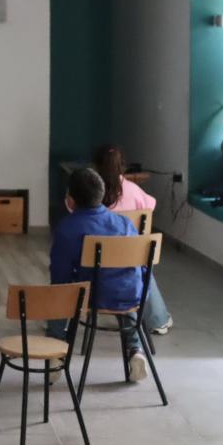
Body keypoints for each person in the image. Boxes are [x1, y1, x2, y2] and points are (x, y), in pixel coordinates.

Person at [47, 168, 150, 383]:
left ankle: (56, 352)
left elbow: (60, 276)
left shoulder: (68, 228)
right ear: (102, 195)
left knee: (59, 294)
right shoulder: (125, 224)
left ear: (71, 200)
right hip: (132, 295)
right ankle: (135, 350)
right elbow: (140, 269)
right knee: (123, 288)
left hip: (92, 297)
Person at [92, 144, 174, 335]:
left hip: (95, 260)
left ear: (96, 166)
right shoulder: (134, 190)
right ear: (122, 166)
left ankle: (59, 319)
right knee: (142, 266)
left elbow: (75, 212)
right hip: (130, 259)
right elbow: (149, 208)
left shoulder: (92, 192)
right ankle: (157, 319)